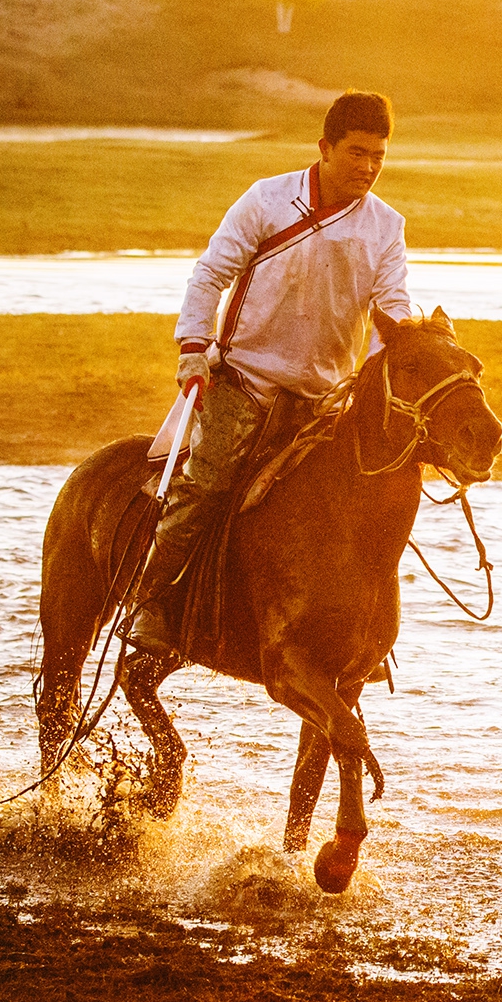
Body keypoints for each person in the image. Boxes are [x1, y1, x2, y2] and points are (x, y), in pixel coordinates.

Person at [124, 90, 413, 655]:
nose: (368, 168)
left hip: (324, 398)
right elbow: (210, 274)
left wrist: (392, 361)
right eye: (357, 153)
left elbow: (392, 308)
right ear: (325, 148)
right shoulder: (267, 200)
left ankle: (355, 633)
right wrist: (192, 348)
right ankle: (150, 602)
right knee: (206, 485)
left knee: (359, 504)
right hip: (244, 380)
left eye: (379, 156)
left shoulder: (387, 227)